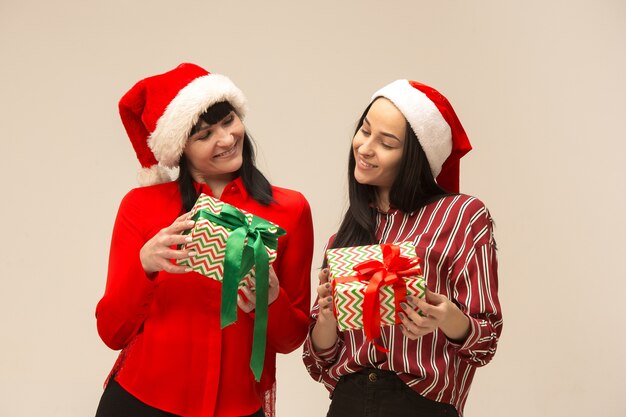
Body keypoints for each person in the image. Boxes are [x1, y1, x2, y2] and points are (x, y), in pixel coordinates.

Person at [95, 63, 314, 417]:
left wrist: (271, 300)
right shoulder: (141, 206)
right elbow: (111, 333)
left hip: (237, 407)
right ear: (180, 147)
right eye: (204, 135)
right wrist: (145, 265)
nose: (226, 139)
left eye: (228, 121)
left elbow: (289, 340)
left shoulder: (290, 211)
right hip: (141, 403)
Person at [302, 80, 502, 417]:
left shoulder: (462, 217)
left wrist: (447, 318)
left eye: (386, 143)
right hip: (348, 403)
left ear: (414, 158)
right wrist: (326, 319)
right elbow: (318, 361)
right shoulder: (342, 240)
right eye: (364, 131)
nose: (365, 148)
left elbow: (486, 342)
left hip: (420, 404)